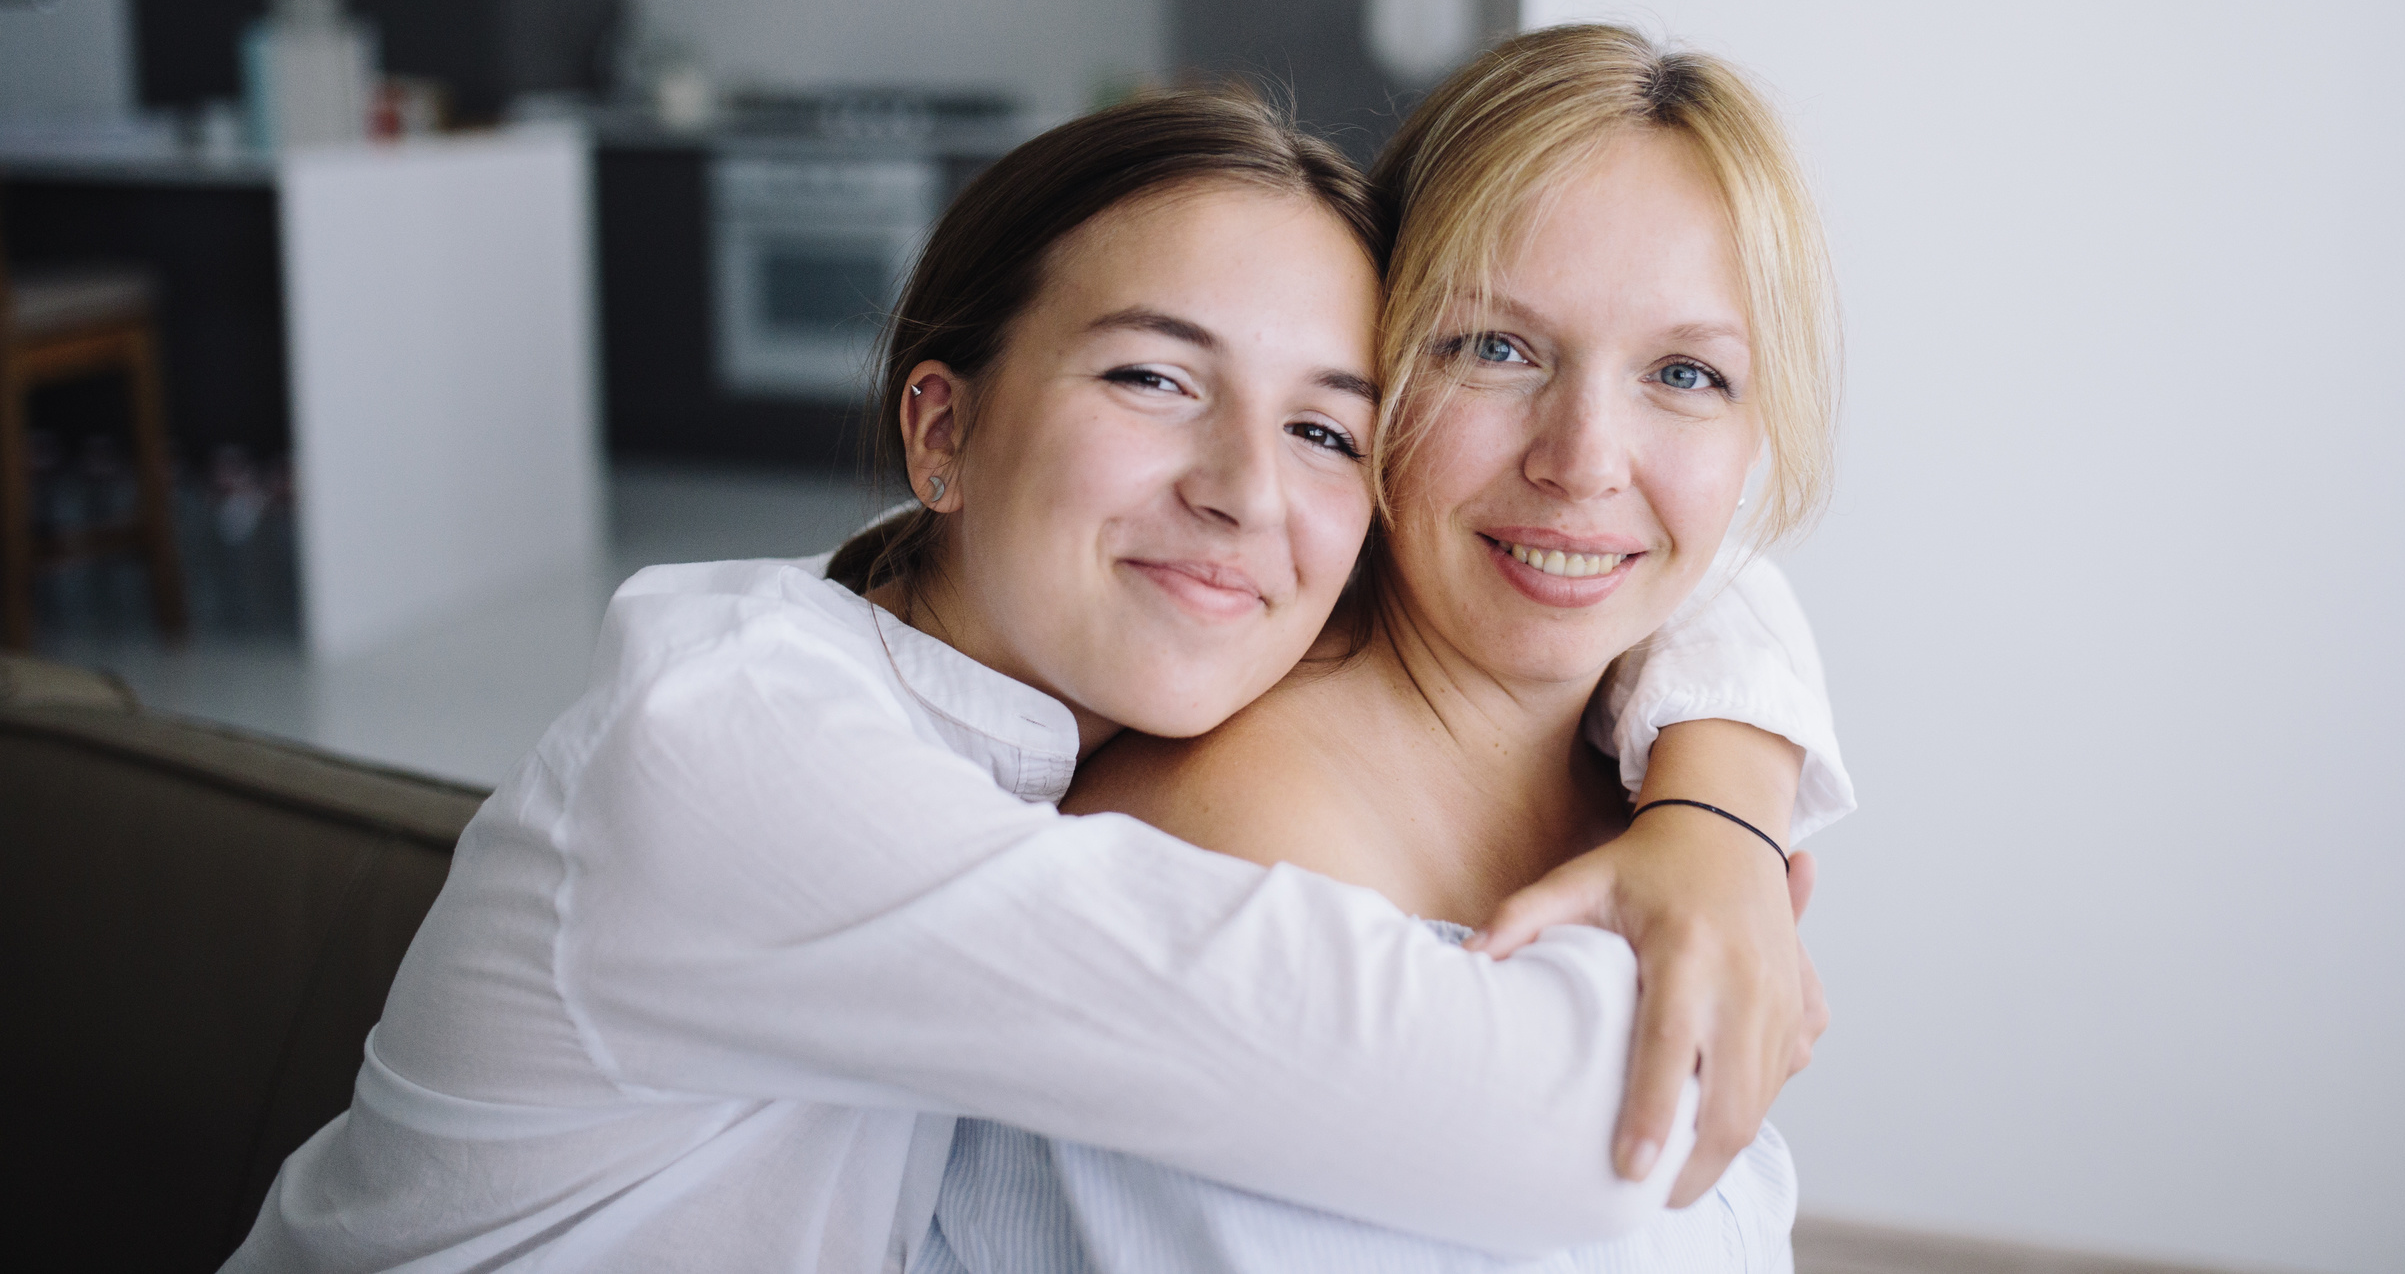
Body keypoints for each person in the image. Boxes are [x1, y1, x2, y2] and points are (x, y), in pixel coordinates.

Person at [228, 88, 1844, 1274]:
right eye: (1153, 375)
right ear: (941, 427)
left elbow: (1670, 552)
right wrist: (1731, 907)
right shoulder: (740, 749)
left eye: (1322, 426)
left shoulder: (1041, 635)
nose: (1244, 490)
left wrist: (1716, 804)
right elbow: (1581, 1128)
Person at [917, 24, 1838, 1274]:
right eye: (1495, 349)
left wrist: (1719, 818)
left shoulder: (1651, 734)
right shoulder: (1234, 861)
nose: (1584, 462)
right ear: (1373, 372)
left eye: (1685, 373)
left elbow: (1732, 587)